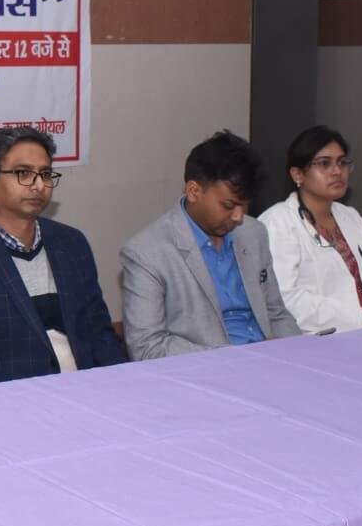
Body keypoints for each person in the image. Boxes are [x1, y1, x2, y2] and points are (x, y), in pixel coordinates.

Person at [0, 126, 126, 387]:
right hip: (9, 402)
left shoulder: (72, 244)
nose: (39, 185)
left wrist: (122, 384)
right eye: (24, 173)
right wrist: (23, 398)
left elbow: (100, 334)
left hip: (87, 392)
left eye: (45, 174)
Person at [121, 130, 300, 360]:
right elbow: (148, 347)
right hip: (206, 369)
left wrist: (296, 353)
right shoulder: (147, 253)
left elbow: (276, 313)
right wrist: (237, 357)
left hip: (268, 360)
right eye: (229, 205)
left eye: (245, 205)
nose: (238, 216)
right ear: (194, 191)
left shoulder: (253, 232)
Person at [258, 126, 362, 333]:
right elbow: (284, 297)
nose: (337, 171)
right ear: (297, 174)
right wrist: (359, 323)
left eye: (342, 162)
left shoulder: (350, 216)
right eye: (324, 163)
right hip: (314, 338)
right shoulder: (278, 222)